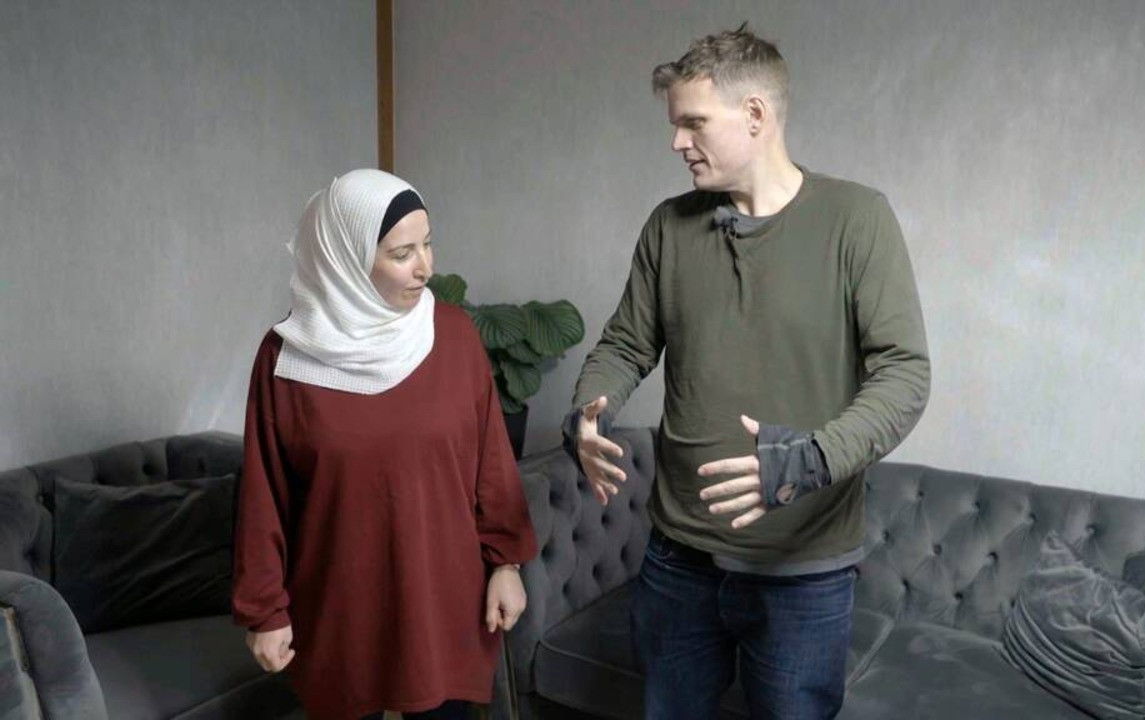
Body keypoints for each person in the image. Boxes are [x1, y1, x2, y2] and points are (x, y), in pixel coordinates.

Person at [563, 24, 930, 719]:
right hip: (678, 559)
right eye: (675, 125)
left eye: (693, 123)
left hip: (802, 573)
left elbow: (904, 376)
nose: (677, 142)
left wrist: (807, 460)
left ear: (755, 114)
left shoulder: (857, 219)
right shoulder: (669, 226)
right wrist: (589, 410)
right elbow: (625, 344)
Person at [233, 168, 537, 720]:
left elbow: (491, 462)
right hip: (339, 607)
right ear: (346, 259)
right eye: (402, 253)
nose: (425, 267)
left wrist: (506, 564)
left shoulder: (454, 336)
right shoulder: (286, 358)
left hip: (445, 599)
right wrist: (265, 611)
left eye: (427, 244)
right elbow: (263, 496)